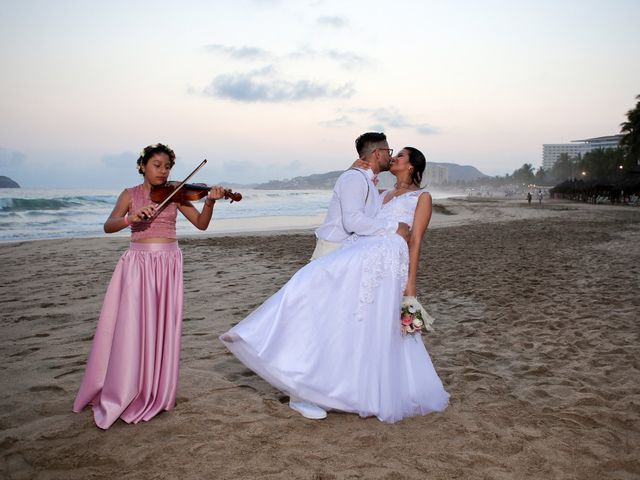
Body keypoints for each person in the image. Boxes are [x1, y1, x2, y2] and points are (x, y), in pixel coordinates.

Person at [221, 146, 449, 423]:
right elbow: (359, 216)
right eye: (392, 153)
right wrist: (359, 173)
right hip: (364, 253)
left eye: (400, 156)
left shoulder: (422, 197)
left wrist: (410, 285)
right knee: (331, 301)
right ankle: (276, 349)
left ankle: (341, 388)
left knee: (369, 324)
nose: (394, 158)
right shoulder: (382, 194)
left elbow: (415, 242)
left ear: (412, 166)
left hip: (388, 263)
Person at [73, 143, 226, 429]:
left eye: (167, 166)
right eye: (157, 165)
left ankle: (156, 391)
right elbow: (109, 225)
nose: (163, 171)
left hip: (168, 264)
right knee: (133, 327)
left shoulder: (176, 194)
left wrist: (211, 201)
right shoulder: (130, 194)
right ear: (142, 165)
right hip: (138, 265)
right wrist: (131, 217)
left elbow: (202, 225)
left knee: (161, 327)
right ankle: (125, 388)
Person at [311, 132, 409, 260]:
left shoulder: (366, 181)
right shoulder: (354, 177)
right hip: (331, 254)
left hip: (348, 253)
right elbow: (353, 221)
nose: (390, 157)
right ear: (378, 153)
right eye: (388, 152)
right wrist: (394, 227)